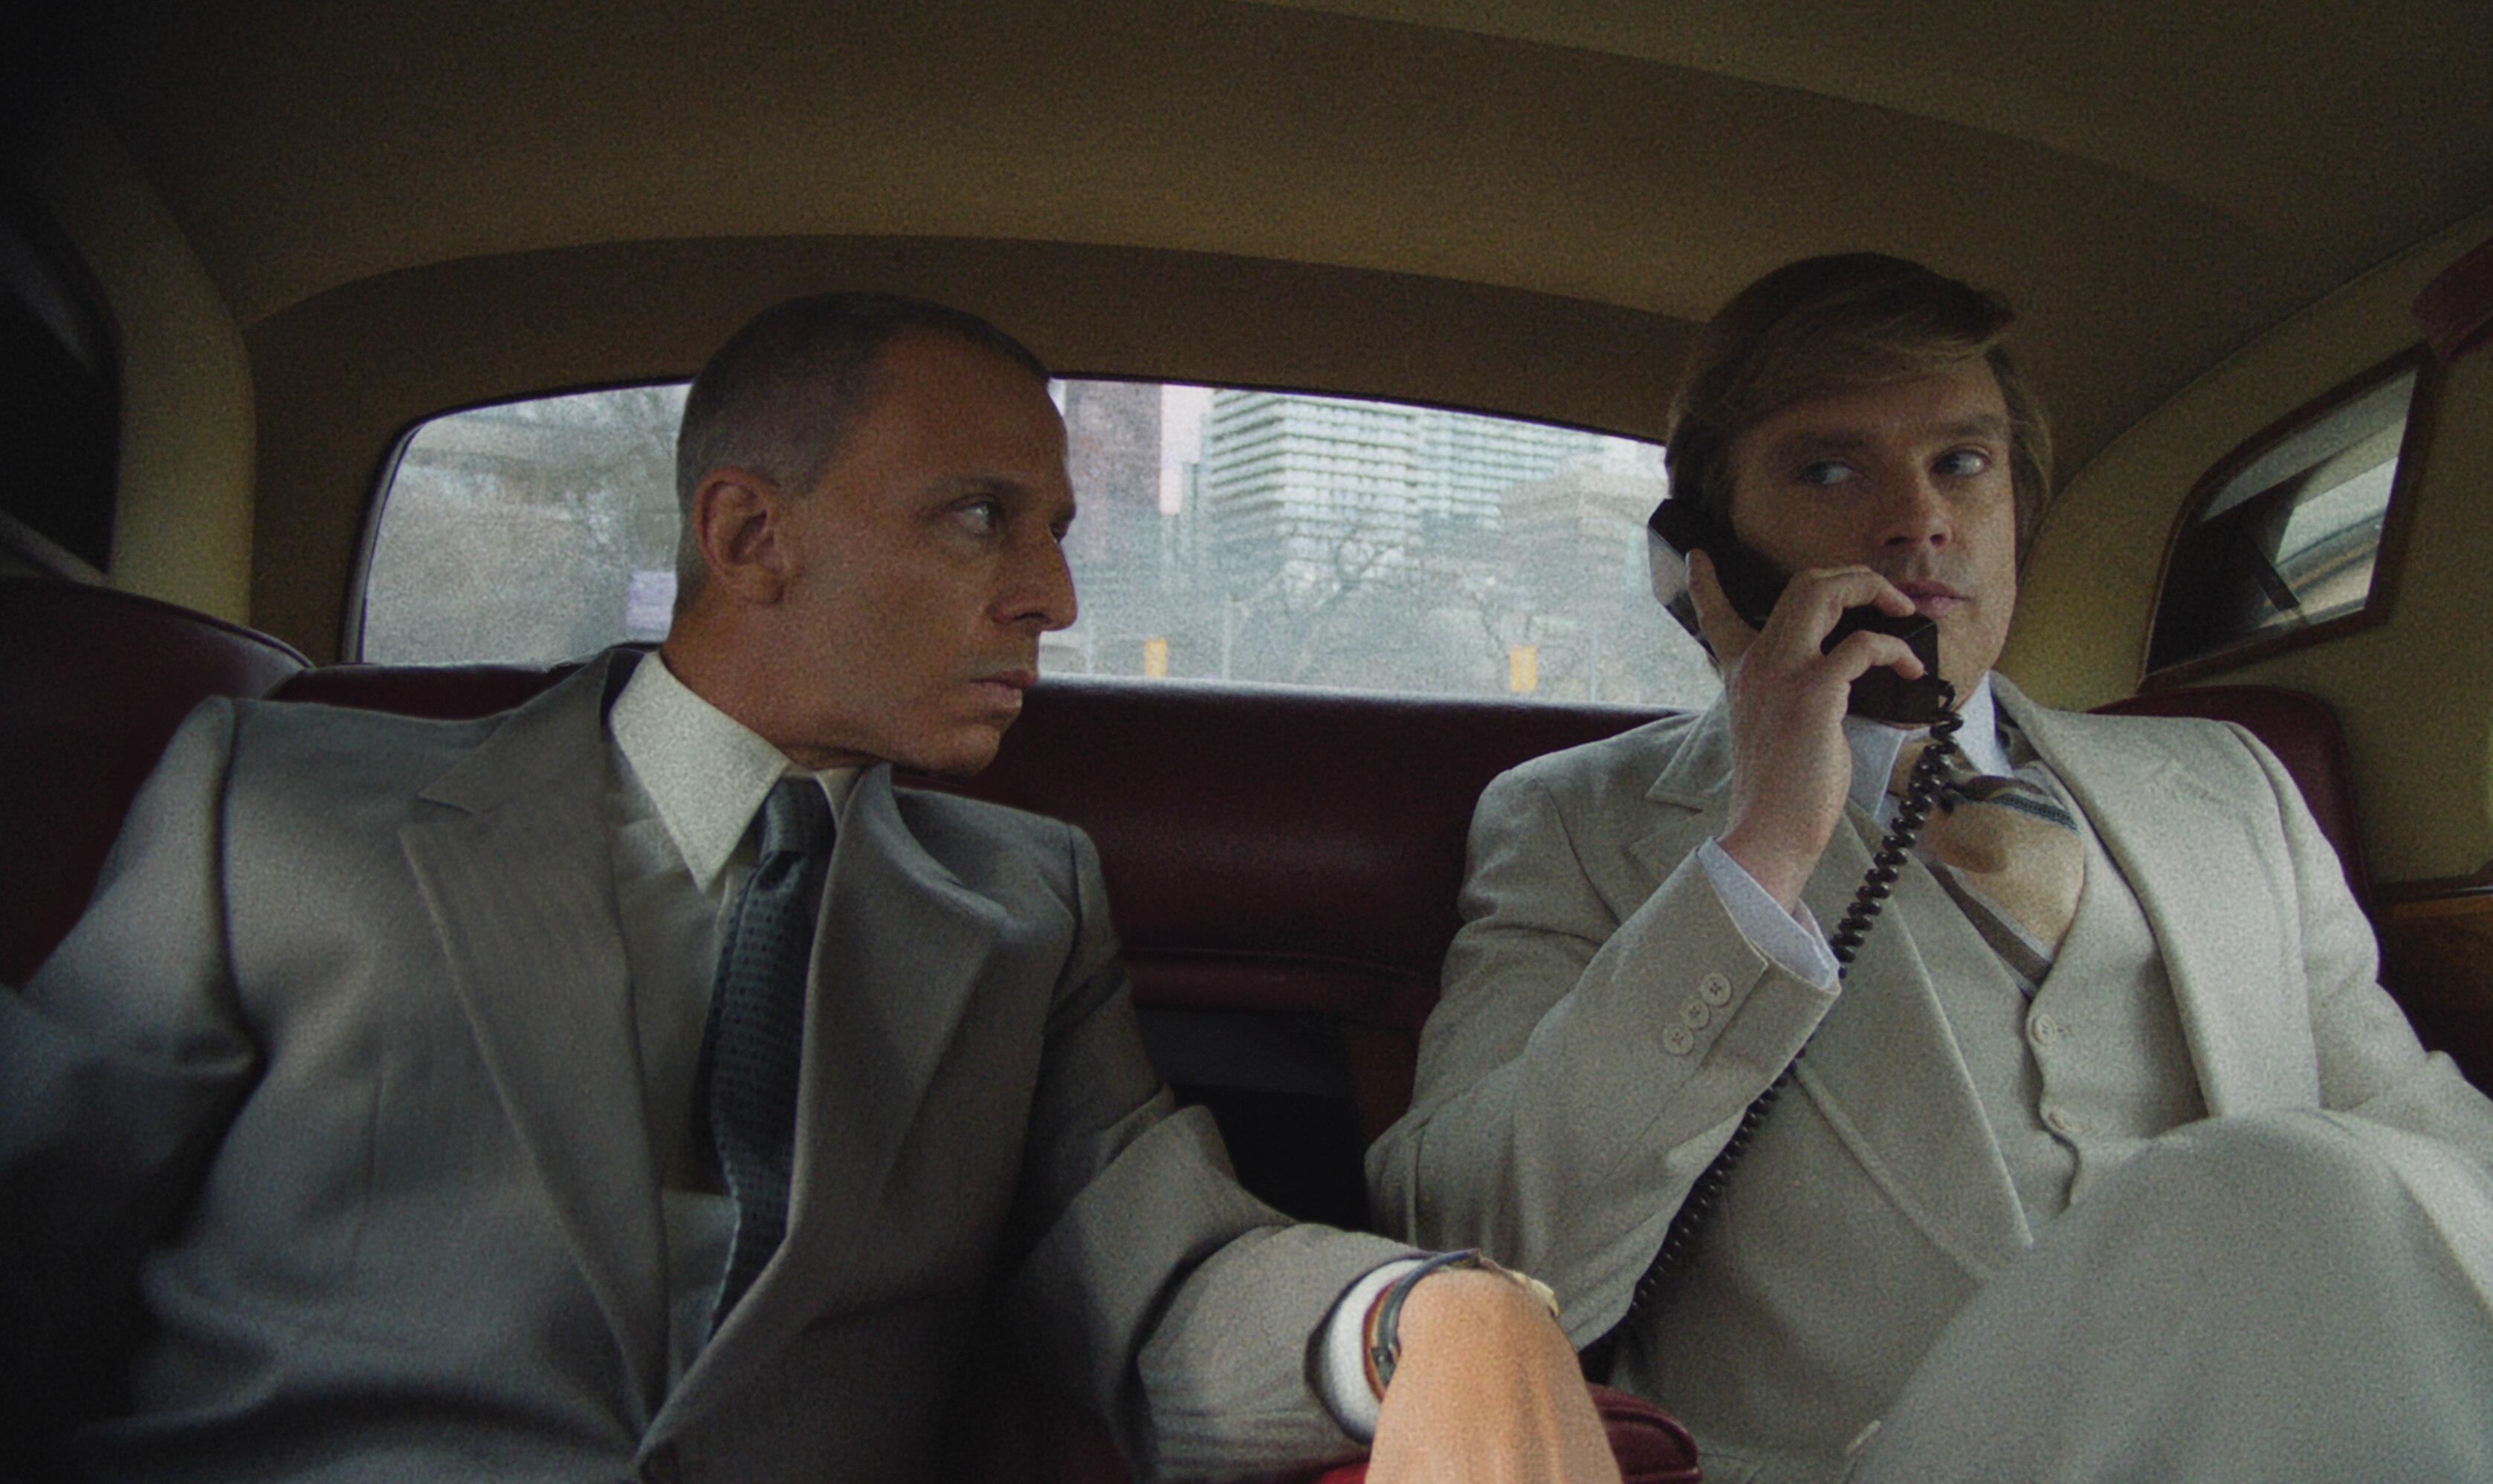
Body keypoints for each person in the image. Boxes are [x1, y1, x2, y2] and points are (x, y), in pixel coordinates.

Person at [0, 294, 1616, 1483]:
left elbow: (1161, 1277)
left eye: (1055, 528)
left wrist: (1423, 1316)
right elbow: (35, 1236)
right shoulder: (279, 802)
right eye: (984, 517)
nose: (1051, 594)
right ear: (749, 533)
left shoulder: (1026, 907)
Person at [1366, 253, 2493, 1484]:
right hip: (1914, 1453)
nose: (1919, 515)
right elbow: (1478, 1249)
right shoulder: (1577, 822)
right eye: (1829, 465)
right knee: (2290, 1189)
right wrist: (1763, 847)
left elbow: (2467, 1182)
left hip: (2363, 1420)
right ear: (1704, 552)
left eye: (1963, 462)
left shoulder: (2228, 792)